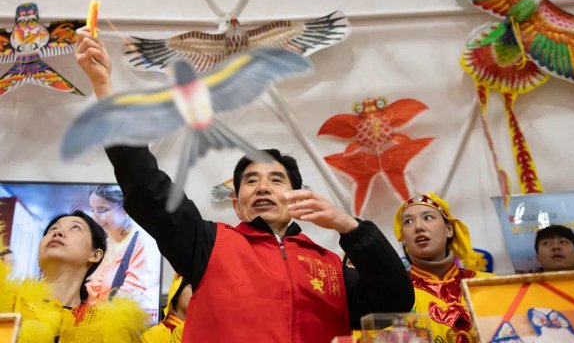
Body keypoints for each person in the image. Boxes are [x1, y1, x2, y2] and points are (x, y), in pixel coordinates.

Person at [75, 27, 415, 343]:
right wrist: (104, 86)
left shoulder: (330, 267)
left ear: (297, 196)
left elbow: (395, 302)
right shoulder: (207, 244)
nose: (263, 187)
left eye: (276, 179)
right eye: (251, 180)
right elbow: (146, 187)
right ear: (237, 203)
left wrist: (351, 228)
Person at [0, 210, 149, 342]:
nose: (57, 233)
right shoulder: (8, 302)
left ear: (95, 255)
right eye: (52, 229)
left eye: (75, 227)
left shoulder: (110, 327)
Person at [394, 193, 491, 343]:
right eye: (408, 222)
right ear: (404, 239)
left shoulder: (486, 284)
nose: (418, 227)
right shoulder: (396, 294)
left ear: (449, 230)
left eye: (427, 217)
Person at [85, 185, 161, 322]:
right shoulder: (101, 242)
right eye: (91, 210)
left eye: (102, 210)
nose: (94, 217)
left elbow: (132, 294)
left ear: (125, 210)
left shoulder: (143, 242)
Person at [141, 274, 192, 343]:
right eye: (191, 286)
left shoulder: (204, 331)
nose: (198, 291)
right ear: (175, 293)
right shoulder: (154, 335)